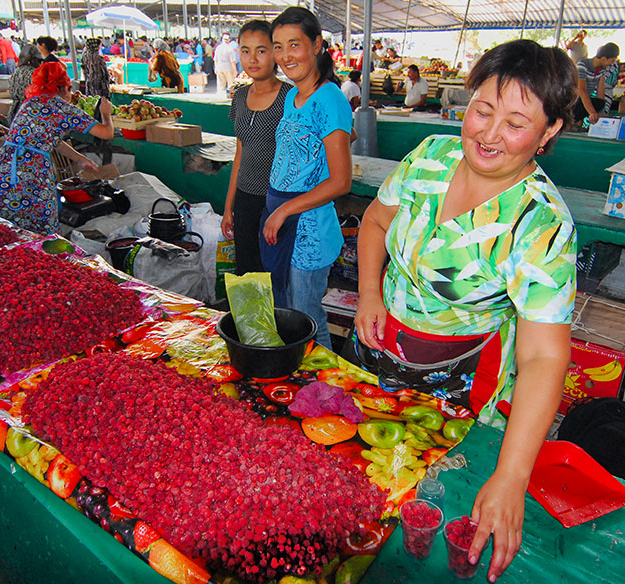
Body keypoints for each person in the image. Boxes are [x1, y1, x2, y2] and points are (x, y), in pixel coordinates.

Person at [352, 39, 578, 583]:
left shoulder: (540, 225)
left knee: (430, 504)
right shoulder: (430, 155)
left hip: (459, 375)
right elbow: (375, 223)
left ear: (549, 133)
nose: (489, 133)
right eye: (482, 109)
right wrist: (368, 294)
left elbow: (546, 358)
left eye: (517, 122)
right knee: (364, 478)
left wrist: (512, 475)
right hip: (381, 345)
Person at [262, 7, 352, 351]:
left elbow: (340, 182)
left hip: (309, 231)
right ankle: (305, 383)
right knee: (289, 313)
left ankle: (327, 388)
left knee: (306, 321)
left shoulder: (328, 97)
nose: (285, 56)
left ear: (316, 45)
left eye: (294, 45)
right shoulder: (292, 96)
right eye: (278, 46)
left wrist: (285, 210)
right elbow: (336, 136)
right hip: (284, 222)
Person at [0, 62, 114, 234]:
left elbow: (53, 142)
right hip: (31, 172)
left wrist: (82, 159)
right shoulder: (63, 109)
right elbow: (107, 133)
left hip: (3, 167)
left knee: (6, 225)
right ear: (63, 88)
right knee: (37, 223)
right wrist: (106, 113)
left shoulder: (30, 103)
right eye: (69, 88)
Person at [221, 20, 292, 276]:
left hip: (277, 200)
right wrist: (229, 207)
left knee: (273, 270)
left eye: (261, 50)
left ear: (275, 53)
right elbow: (240, 154)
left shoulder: (291, 97)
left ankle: (277, 317)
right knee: (246, 270)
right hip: (245, 198)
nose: (252, 58)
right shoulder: (239, 97)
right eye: (245, 50)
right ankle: (249, 317)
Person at [573, 42, 620, 125]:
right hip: (573, 100)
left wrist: (600, 112)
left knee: (599, 102)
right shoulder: (582, 65)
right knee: (579, 102)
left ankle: (580, 126)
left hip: (584, 98)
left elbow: (601, 90)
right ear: (603, 59)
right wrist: (592, 113)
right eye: (612, 61)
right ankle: (573, 125)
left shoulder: (602, 69)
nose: (612, 64)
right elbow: (581, 90)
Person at [7, 43, 42, 125]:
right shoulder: (34, 73)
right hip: (30, 113)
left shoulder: (16, 71)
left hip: (14, 112)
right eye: (39, 60)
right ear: (33, 60)